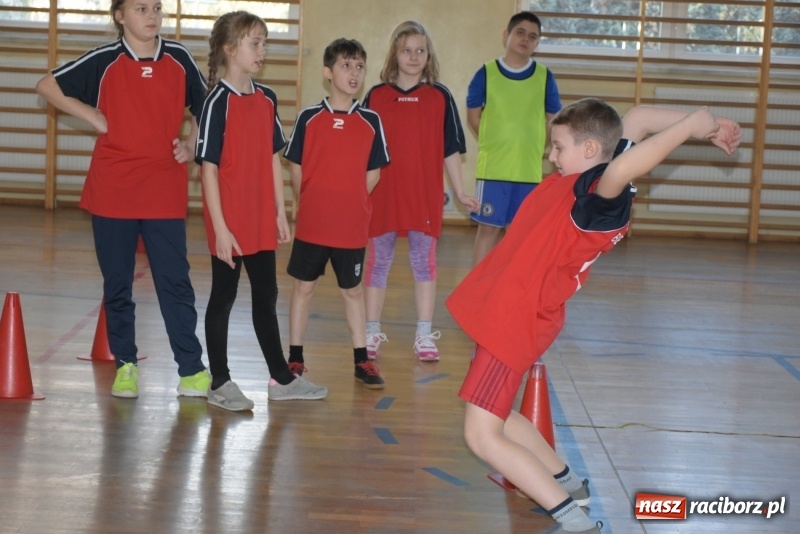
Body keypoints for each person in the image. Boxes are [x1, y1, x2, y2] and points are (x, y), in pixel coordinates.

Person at [446, 99, 742, 533]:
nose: (551, 156)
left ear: (588, 151)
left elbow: (621, 170)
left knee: (481, 435)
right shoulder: (583, 176)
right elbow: (638, 117)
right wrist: (703, 125)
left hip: (513, 318)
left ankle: (574, 519)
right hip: (507, 310)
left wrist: (688, 129)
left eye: (558, 147)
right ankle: (569, 483)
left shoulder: (600, 199)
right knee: (496, 414)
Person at [35, 0, 211, 399]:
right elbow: (47, 85)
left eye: (156, 8)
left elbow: (206, 108)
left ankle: (191, 370)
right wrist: (92, 116)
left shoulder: (180, 58)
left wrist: (190, 144)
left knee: (175, 282)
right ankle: (126, 365)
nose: (151, 16)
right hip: (113, 188)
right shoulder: (105, 60)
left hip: (163, 188)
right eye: (140, 8)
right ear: (119, 16)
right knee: (118, 285)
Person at [195, 11, 328, 411]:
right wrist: (220, 228)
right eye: (255, 43)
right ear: (230, 49)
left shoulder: (266, 97)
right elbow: (208, 169)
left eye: (264, 43)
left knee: (266, 295)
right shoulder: (217, 101)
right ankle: (219, 381)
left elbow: (274, 157)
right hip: (229, 220)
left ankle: (281, 379)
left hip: (259, 217)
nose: (262, 51)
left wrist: (279, 212)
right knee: (223, 297)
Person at [361, 21, 479, 363]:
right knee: (378, 262)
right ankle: (371, 331)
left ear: (428, 56)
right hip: (382, 194)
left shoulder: (439, 96)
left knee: (423, 263)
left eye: (420, 50)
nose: (413, 56)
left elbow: (451, 150)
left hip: (423, 197)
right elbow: (363, 150)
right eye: (406, 50)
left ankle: (424, 334)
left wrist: (459, 191)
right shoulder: (376, 96)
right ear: (395, 54)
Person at [283, 38, 390, 389]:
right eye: (346, 65)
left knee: (353, 291)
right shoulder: (309, 118)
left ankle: (363, 362)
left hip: (351, 227)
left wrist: (350, 200)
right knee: (304, 288)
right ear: (328, 72)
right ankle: (295, 358)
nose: (354, 72)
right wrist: (312, 201)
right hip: (313, 225)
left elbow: (373, 175)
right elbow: (295, 167)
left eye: (359, 65)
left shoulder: (371, 121)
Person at [467, 10, 562, 265]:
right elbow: (474, 117)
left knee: (520, 234)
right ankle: (479, 290)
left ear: (537, 43)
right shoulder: (486, 73)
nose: (525, 39)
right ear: (506, 35)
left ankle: (513, 293)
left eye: (532, 36)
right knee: (488, 229)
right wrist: (493, 142)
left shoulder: (544, 76)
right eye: (520, 32)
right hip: (493, 170)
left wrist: (536, 143)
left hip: (527, 171)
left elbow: (554, 118)